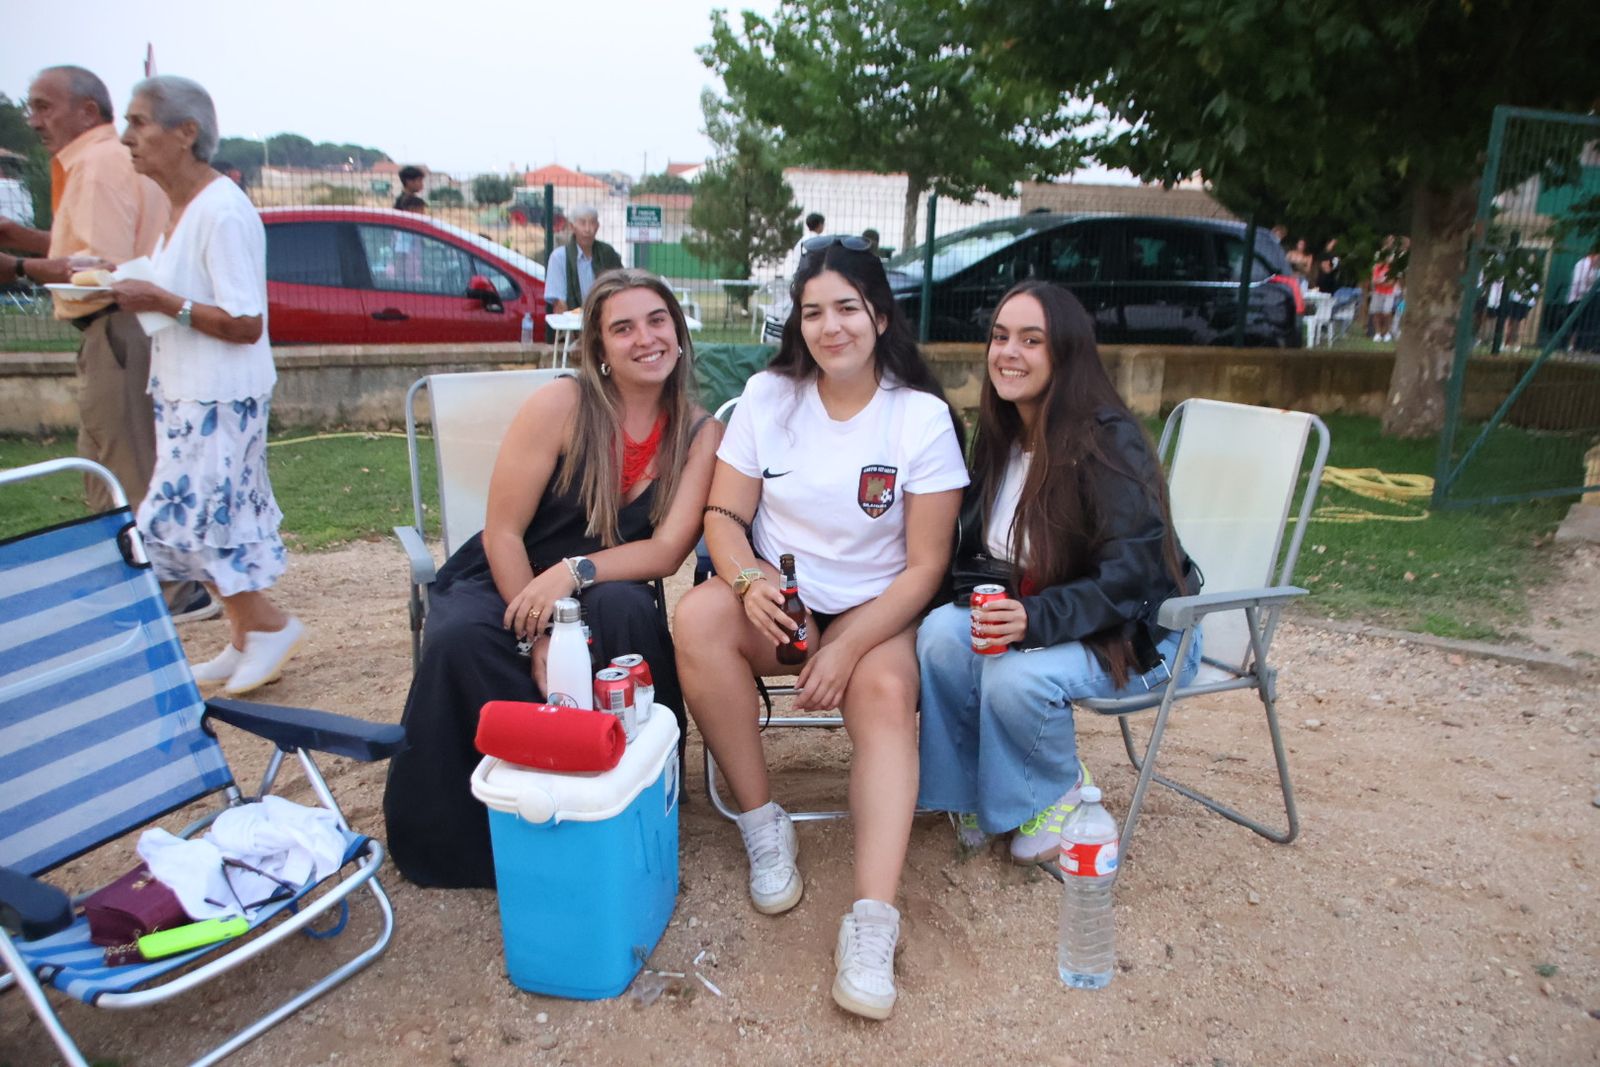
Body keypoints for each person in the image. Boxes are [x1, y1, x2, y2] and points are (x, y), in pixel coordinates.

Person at [673, 235, 968, 1020]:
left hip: (878, 608)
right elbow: (724, 516)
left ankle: (872, 920)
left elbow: (924, 569)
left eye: (846, 307)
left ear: (878, 313)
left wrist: (847, 642)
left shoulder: (920, 418)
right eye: (812, 311)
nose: (829, 326)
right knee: (698, 616)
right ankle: (764, 823)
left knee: (880, 694)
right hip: (783, 593)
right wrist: (743, 579)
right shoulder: (770, 397)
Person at [384, 269, 720, 889]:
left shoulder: (700, 433)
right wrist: (537, 635)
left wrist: (573, 573)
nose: (644, 338)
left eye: (657, 320)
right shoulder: (561, 405)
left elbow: (669, 549)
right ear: (599, 350)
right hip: (507, 575)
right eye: (623, 328)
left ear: (677, 331)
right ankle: (477, 840)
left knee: (624, 614)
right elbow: (503, 532)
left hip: (603, 579)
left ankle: (623, 808)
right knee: (458, 636)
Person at [917, 280, 1202, 867]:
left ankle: (1060, 792)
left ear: (1064, 353)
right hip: (1053, 612)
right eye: (999, 337)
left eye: (1031, 340)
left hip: (1145, 634)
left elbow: (1133, 573)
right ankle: (975, 792)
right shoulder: (1002, 436)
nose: (1007, 353)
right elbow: (981, 551)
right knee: (941, 638)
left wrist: (1032, 619)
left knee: (1014, 679)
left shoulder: (1107, 441)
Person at [106, 75, 302, 694]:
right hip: (187, 390)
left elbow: (246, 321)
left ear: (185, 132)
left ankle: (266, 625)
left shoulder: (221, 211)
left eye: (139, 122)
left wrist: (160, 297)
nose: (126, 137)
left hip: (220, 395)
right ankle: (247, 634)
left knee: (191, 521)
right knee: (196, 520)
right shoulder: (182, 209)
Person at [0, 65, 212, 623]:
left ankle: (171, 595)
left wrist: (20, 265)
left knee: (130, 470)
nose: (34, 120)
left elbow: (98, 269)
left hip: (117, 328)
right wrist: (30, 245)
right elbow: (92, 252)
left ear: (87, 111)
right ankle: (132, 583)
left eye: (44, 107)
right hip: (114, 330)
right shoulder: (101, 165)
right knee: (102, 469)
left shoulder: (95, 166)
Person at [544, 204, 622, 314]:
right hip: (573, 325)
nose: (587, 229)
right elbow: (559, 304)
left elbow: (620, 290)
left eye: (592, 223)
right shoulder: (559, 257)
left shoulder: (608, 253)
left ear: (597, 226)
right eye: (582, 223)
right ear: (572, 227)